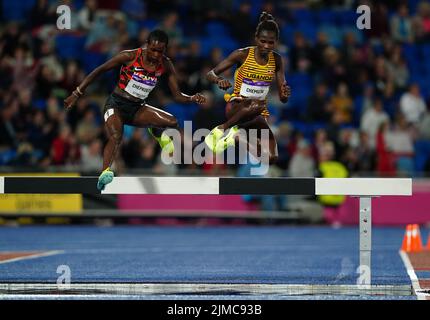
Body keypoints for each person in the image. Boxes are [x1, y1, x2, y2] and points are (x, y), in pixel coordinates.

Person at [64, 30, 206, 190]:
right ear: (147, 44)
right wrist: (77, 93)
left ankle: (156, 132)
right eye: (153, 49)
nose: (156, 54)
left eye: (160, 51)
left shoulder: (165, 64)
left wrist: (192, 97)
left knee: (172, 121)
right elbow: (100, 70)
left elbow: (177, 95)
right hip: (115, 105)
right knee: (116, 136)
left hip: (138, 108)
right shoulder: (130, 56)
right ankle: (104, 173)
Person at [204, 12, 291, 165]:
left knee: (271, 157)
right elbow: (210, 74)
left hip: (258, 114)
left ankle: (236, 138)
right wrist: (219, 80)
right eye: (263, 41)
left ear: (276, 42)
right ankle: (221, 129)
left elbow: (283, 98)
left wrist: (285, 95)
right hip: (236, 107)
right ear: (256, 38)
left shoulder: (277, 60)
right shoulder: (242, 54)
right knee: (256, 104)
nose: (266, 46)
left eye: (271, 42)